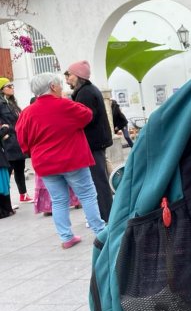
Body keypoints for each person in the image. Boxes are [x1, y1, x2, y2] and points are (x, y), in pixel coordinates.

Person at [16, 73, 106, 248]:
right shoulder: (65, 105)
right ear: (52, 87)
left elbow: (23, 142)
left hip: (45, 164)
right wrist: (67, 99)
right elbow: (87, 115)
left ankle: (66, 237)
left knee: (58, 200)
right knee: (87, 195)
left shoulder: (26, 113)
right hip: (72, 160)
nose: (62, 88)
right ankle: (100, 232)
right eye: (59, 85)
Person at [64, 60, 114, 222]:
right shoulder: (86, 91)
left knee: (98, 182)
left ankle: (106, 217)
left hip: (93, 143)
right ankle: (107, 215)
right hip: (96, 142)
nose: (67, 79)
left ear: (78, 76)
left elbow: (85, 118)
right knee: (99, 180)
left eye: (69, 75)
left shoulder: (85, 93)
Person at [0, 77, 32, 202]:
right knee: (7, 171)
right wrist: (3, 133)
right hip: (8, 141)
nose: (12, 88)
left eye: (12, 86)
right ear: (2, 89)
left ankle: (23, 194)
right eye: (9, 86)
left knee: (20, 167)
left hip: (18, 139)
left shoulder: (12, 103)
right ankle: (5, 199)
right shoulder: (1, 103)